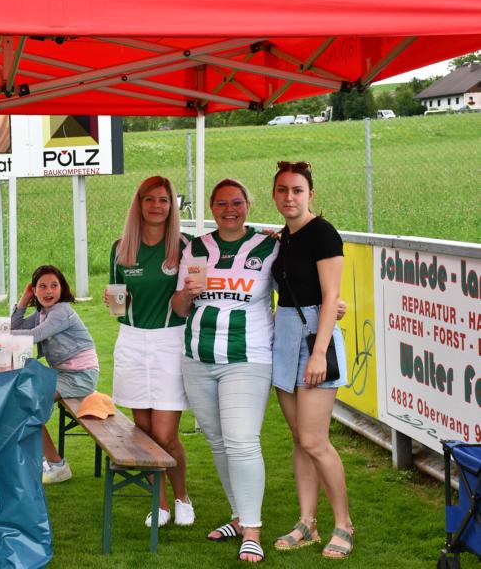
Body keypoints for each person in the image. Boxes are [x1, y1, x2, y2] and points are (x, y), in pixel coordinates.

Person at [171, 178, 278, 563]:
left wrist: (333, 304)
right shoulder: (197, 248)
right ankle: (238, 515)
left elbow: (295, 289)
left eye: (237, 202)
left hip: (247, 357)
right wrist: (186, 295)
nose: (229, 210)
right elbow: (179, 308)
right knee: (218, 441)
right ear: (211, 207)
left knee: (242, 440)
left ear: (248, 205)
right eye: (221, 203)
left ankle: (253, 529)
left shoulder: (269, 246)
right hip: (198, 358)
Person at [269, 161, 353, 559]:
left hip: (313, 341)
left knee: (315, 441)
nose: (290, 197)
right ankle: (307, 522)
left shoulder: (323, 233)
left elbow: (331, 296)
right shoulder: (283, 237)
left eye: (297, 190)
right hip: (284, 338)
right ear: (274, 194)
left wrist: (319, 353)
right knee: (299, 439)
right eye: (282, 190)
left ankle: (344, 524)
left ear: (310, 194)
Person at [109, 175, 194, 529]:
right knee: (143, 433)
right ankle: (159, 504)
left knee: (165, 435)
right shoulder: (120, 248)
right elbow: (117, 305)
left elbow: (187, 303)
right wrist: (115, 301)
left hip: (170, 341)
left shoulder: (185, 246)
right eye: (150, 199)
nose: (157, 206)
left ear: (171, 205)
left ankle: (182, 497)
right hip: (131, 341)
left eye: (163, 200)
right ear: (139, 203)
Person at [9, 264, 99, 484]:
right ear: (34, 290)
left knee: (27, 404)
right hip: (63, 373)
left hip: (80, 376)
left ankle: (57, 466)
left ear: (62, 288)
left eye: (54, 286)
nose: (48, 291)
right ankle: (43, 459)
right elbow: (15, 326)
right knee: (20, 396)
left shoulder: (61, 311)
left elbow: (31, 336)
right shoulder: (43, 313)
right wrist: (24, 299)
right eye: (42, 286)